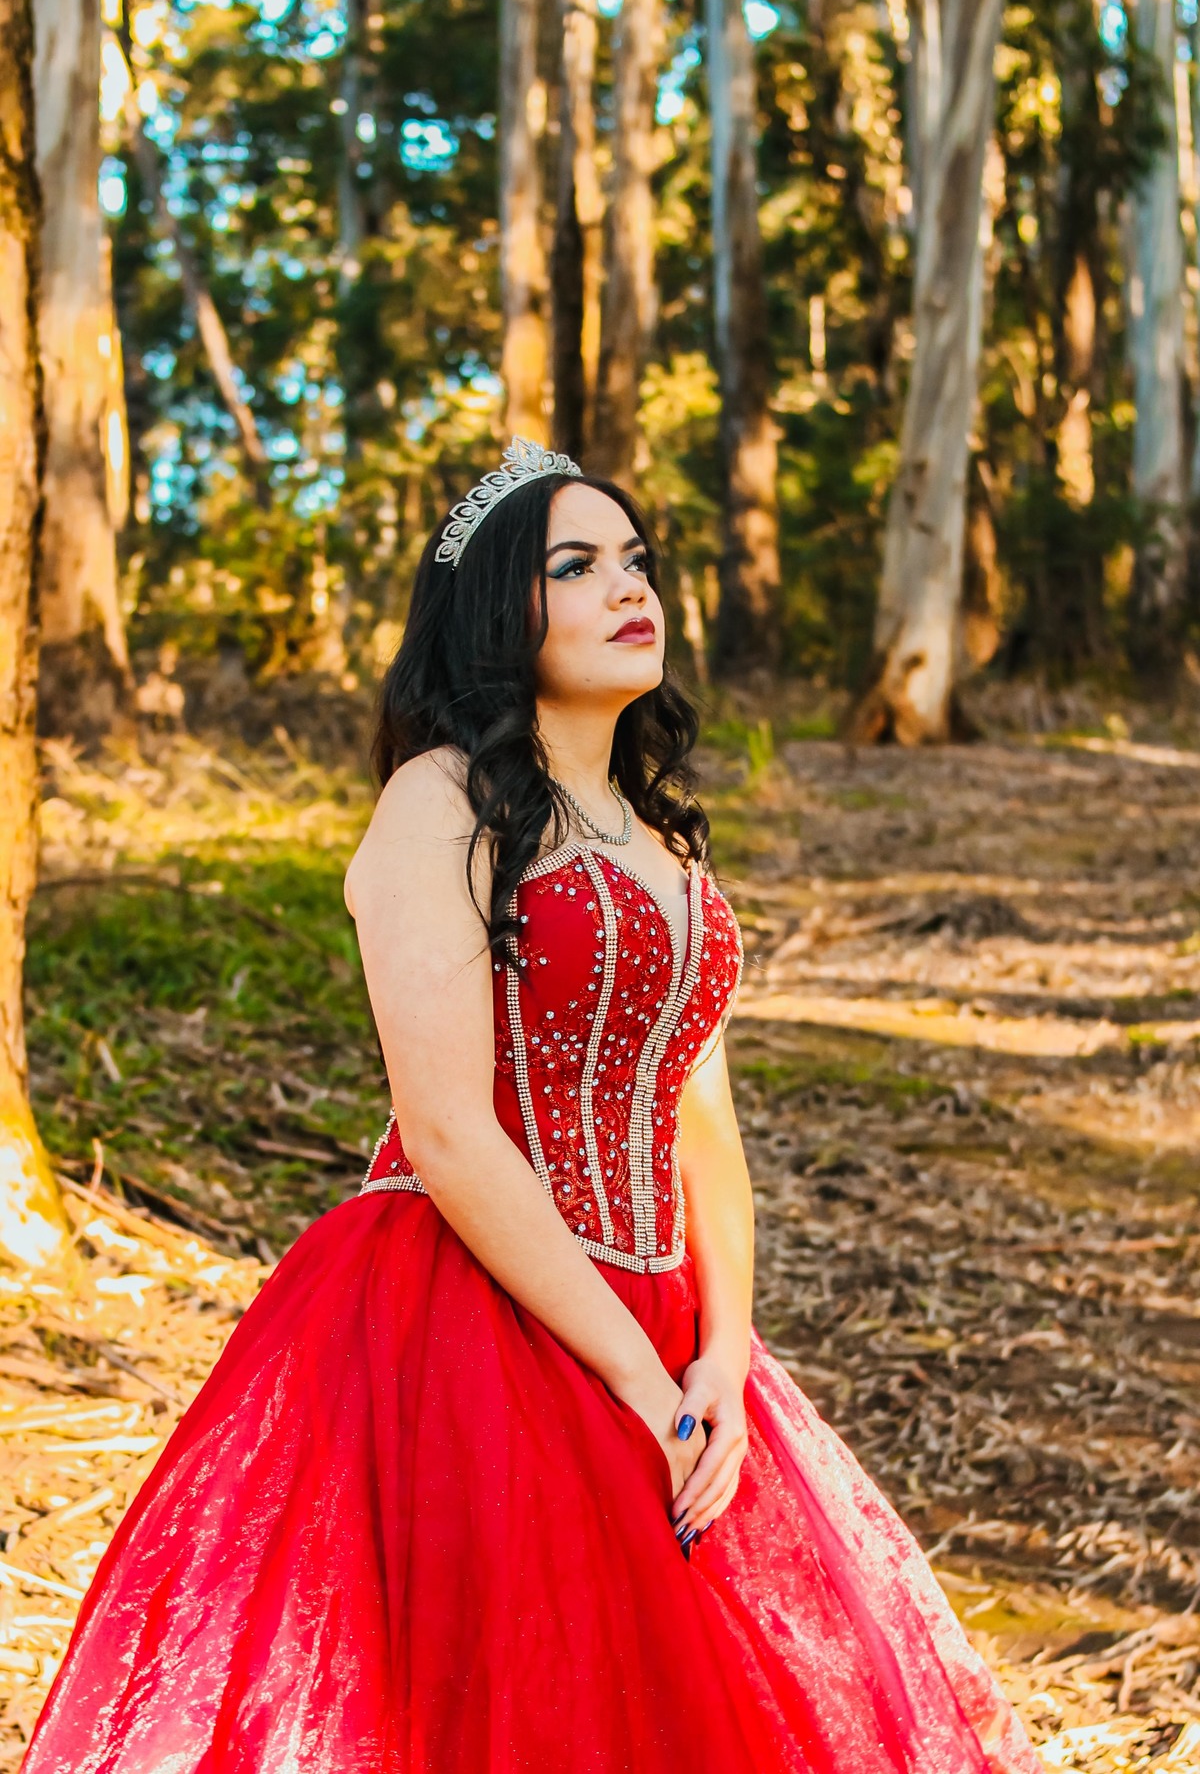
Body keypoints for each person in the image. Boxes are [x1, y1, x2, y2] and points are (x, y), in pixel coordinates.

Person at [20, 440, 1044, 1773]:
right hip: (461, 1320)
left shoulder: (664, 836)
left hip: (672, 1322)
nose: (630, 588)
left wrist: (722, 1358)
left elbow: (701, 1123)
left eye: (637, 561)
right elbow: (447, 1130)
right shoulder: (437, 803)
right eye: (577, 566)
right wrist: (634, 1376)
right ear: (501, 611)